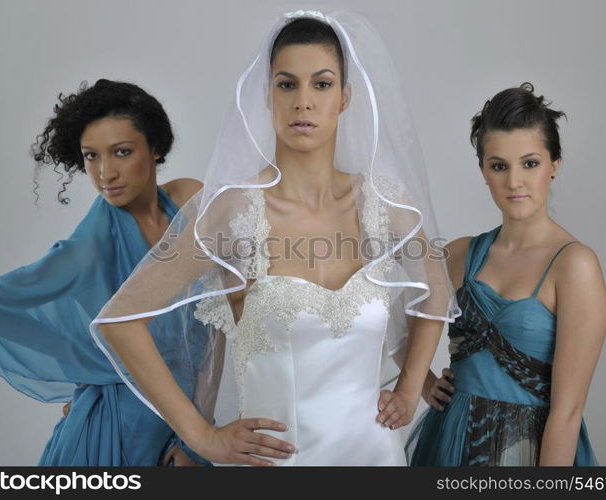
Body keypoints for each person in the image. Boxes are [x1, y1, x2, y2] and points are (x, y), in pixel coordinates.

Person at [91, 11, 459, 466]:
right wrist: (201, 437)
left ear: (345, 97)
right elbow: (120, 320)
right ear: (267, 95)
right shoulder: (235, 209)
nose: (303, 102)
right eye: (287, 84)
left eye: (321, 84)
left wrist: (407, 390)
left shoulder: (385, 202)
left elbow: (437, 288)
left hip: (376, 455)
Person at [0, 79, 206, 466]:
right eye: (91, 156)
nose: (105, 173)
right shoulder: (91, 246)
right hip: (116, 430)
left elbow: (220, 319)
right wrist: (101, 368)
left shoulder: (187, 201)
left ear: (155, 148)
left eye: (122, 152)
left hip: (187, 424)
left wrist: (196, 437)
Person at [408, 83, 606, 466]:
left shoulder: (574, 266)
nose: (514, 182)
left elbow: (567, 414)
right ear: (484, 171)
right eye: (499, 166)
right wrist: (423, 383)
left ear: (554, 165)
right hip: (450, 441)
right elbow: (387, 311)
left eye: (529, 163)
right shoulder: (460, 254)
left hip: (529, 450)